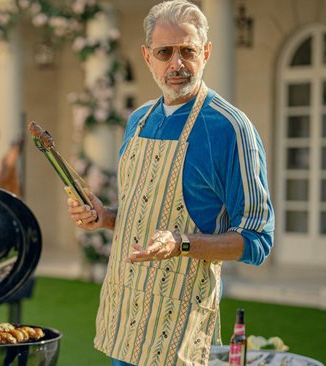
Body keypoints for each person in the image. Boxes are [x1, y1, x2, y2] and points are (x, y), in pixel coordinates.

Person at [67, 1, 274, 365]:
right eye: (165, 52)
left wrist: (182, 244)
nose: (176, 63)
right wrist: (107, 216)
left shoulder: (231, 128)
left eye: (187, 51)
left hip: (180, 330)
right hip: (124, 320)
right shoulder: (139, 120)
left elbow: (258, 240)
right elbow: (145, 212)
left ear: (206, 53)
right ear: (148, 57)